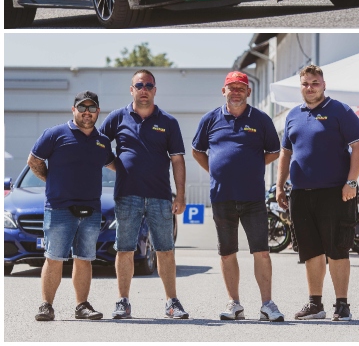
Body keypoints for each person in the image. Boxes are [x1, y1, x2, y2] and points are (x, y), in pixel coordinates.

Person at [276, 64, 359, 321]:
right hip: (301, 194)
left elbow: (358, 146)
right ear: (301, 86)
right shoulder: (293, 115)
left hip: (335, 193)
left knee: (338, 249)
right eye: (305, 84)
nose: (310, 88)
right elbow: (286, 152)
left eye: (315, 83)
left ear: (324, 84)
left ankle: (342, 305)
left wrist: (351, 182)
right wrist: (280, 186)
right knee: (310, 251)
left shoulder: (341, 111)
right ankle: (315, 304)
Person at [192, 72, 285, 321]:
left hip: (253, 197)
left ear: (248, 92)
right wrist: (217, 170)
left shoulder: (261, 119)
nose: (236, 92)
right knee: (227, 252)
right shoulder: (210, 119)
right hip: (222, 197)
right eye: (231, 88)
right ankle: (234, 304)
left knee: (262, 251)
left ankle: (267, 304)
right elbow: (197, 151)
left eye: (240, 88)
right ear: (223, 90)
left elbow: (274, 151)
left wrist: (252, 165)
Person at [100, 70, 189, 320]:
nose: (144, 89)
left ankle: (172, 302)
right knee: (125, 249)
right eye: (139, 85)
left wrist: (179, 195)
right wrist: (118, 165)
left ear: (155, 90)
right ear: (132, 90)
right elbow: (98, 145)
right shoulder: (117, 118)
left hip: (160, 196)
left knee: (165, 250)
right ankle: (123, 302)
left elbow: (178, 160)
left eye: (148, 85)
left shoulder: (168, 122)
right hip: (127, 195)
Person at [29, 92, 116, 321]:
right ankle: (46, 305)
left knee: (84, 258)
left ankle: (82, 306)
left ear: (98, 111)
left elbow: (114, 164)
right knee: (54, 257)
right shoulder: (55, 134)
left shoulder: (102, 140)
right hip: (59, 208)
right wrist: (52, 181)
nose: (87, 112)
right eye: (82, 107)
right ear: (73, 109)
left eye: (92, 108)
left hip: (91, 209)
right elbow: (34, 161)